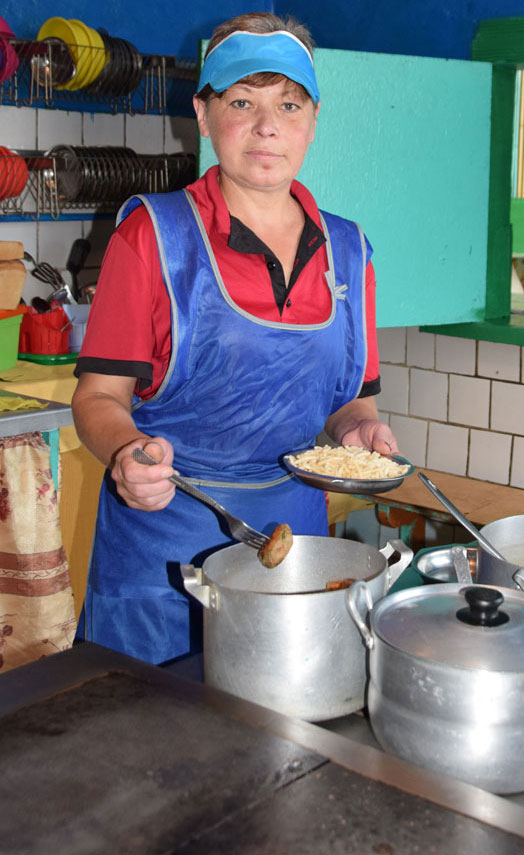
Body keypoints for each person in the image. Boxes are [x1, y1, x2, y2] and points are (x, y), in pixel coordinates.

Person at [71, 12, 398, 665]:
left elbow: (353, 401)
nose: (267, 125)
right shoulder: (154, 239)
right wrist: (130, 450)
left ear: (313, 117)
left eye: (289, 104)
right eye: (242, 101)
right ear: (203, 111)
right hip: (164, 549)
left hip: (292, 549)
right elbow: (98, 397)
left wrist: (361, 432)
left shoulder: (348, 251)